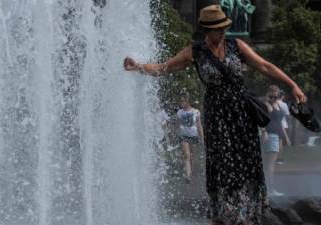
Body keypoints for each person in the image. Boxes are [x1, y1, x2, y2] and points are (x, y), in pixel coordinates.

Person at [123, 5, 307, 225]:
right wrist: (139, 67)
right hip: (217, 118)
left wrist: (293, 85)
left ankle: (246, 216)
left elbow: (265, 66)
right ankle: (223, 216)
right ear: (206, 29)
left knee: (245, 165)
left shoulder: (236, 46)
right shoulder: (196, 51)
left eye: (224, 28)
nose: (222, 33)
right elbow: (165, 67)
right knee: (222, 167)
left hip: (241, 116)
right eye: (218, 29)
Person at [261, 85, 285, 196]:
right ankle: (270, 190)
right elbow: (261, 119)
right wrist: (264, 131)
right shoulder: (267, 105)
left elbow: (280, 123)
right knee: (270, 165)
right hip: (270, 136)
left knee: (270, 164)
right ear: (268, 95)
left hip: (277, 136)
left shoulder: (278, 105)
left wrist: (282, 137)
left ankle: (268, 189)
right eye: (271, 96)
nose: (273, 98)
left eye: (276, 96)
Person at [176, 93, 204, 183]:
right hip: (183, 136)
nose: (181, 103)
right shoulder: (180, 112)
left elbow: (199, 125)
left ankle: (190, 173)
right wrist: (176, 134)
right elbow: (178, 124)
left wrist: (202, 137)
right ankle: (188, 175)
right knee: (186, 155)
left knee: (192, 156)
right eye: (180, 101)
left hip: (194, 136)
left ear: (188, 102)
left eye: (183, 101)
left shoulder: (196, 112)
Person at [276, 90, 290, 164]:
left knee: (277, 141)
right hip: (283, 124)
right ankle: (279, 158)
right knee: (280, 142)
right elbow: (287, 115)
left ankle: (276, 157)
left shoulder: (274, 103)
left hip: (275, 124)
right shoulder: (284, 104)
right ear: (282, 96)